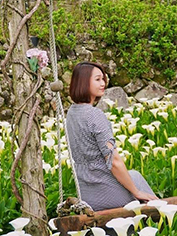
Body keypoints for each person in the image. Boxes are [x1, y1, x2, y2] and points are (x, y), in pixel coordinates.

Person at [64, 62, 157, 210]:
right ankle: (161, 227)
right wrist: (136, 192)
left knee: (134, 175)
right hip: (106, 192)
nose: (103, 84)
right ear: (83, 81)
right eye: (97, 79)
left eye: (103, 79)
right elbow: (114, 162)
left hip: (87, 193)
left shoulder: (71, 113)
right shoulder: (94, 115)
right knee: (144, 191)